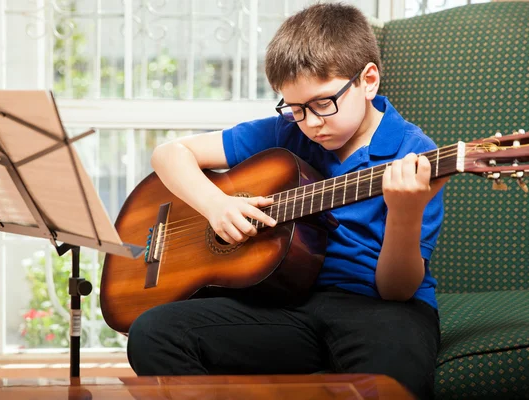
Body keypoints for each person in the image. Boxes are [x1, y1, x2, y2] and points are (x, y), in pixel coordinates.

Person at [127, 3, 449, 399]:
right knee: (153, 333)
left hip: (379, 309)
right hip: (284, 302)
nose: (311, 122)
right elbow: (169, 154)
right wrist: (215, 205)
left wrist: (405, 213)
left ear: (368, 81)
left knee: (395, 377)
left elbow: (396, 290)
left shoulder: (416, 154)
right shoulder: (286, 132)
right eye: (295, 108)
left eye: (323, 103)